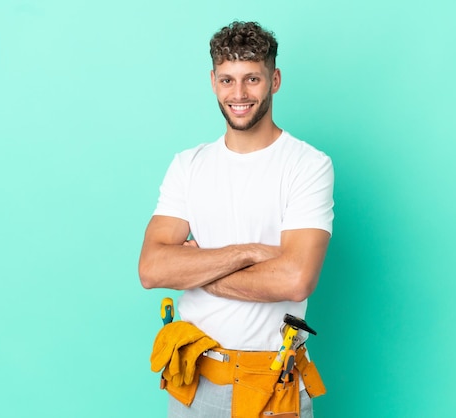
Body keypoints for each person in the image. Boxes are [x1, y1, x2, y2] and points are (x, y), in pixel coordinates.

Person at [139, 21, 334, 417]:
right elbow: (151, 269)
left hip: (270, 387)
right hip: (191, 380)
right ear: (213, 81)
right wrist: (250, 252)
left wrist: (195, 269)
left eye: (252, 79)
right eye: (227, 79)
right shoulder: (188, 165)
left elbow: (295, 279)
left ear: (274, 80)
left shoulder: (307, 165)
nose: (239, 94)